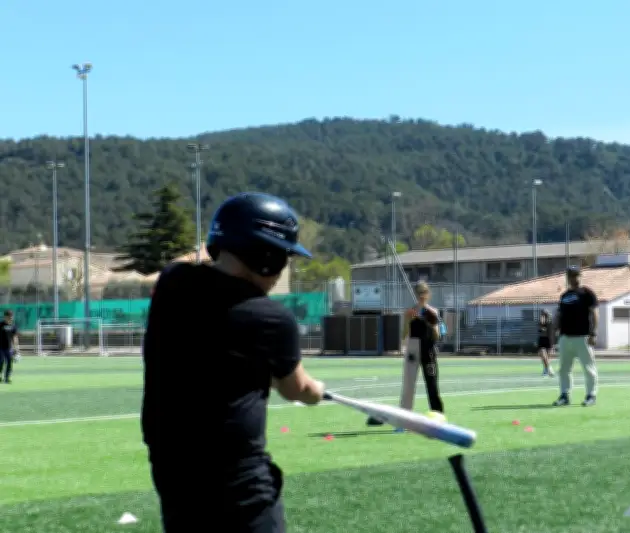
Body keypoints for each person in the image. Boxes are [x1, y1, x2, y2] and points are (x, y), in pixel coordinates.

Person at [141, 192, 326, 533]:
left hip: (173, 471)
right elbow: (297, 389)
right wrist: (317, 391)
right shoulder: (271, 317)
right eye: (283, 257)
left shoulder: (173, 284)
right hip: (237, 479)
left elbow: (220, 351)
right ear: (265, 257)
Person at [367, 281, 446, 426]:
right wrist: (408, 320)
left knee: (432, 385)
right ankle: (404, 419)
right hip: (413, 348)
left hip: (428, 350)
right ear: (416, 294)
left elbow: (436, 336)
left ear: (428, 294)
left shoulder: (433, 311)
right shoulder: (410, 311)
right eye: (419, 293)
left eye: (424, 292)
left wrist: (431, 321)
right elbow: (404, 334)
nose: (422, 296)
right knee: (408, 386)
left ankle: (438, 417)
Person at [552, 266, 599, 407]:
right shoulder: (564, 296)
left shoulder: (587, 293)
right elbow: (559, 315)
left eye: (577, 275)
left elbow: (595, 313)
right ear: (568, 278)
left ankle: (591, 395)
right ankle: (564, 395)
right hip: (566, 337)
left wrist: (593, 333)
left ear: (581, 276)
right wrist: (555, 330)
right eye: (571, 276)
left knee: (588, 368)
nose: (574, 278)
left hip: (582, 337)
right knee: (564, 369)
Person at [0, 310, 18, 384]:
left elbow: (15, 337)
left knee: (10, 362)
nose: (10, 318)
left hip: (8, 347)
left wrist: (16, 348)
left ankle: (7, 378)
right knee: (1, 361)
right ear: (5, 317)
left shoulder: (13, 326)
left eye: (11, 317)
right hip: (0, 347)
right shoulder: (1, 325)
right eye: (9, 316)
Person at [536, 310, 555, 377]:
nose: (543, 315)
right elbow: (540, 330)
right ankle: (549, 368)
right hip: (542, 339)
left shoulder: (550, 322)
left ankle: (546, 369)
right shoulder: (541, 321)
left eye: (544, 314)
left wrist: (552, 345)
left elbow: (551, 331)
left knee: (547, 357)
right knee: (543, 355)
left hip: (549, 339)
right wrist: (542, 322)